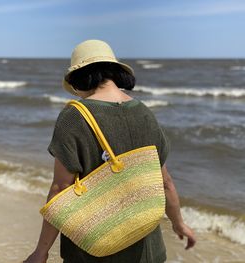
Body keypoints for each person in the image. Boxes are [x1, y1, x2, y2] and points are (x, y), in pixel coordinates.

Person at [23, 39, 196, 263]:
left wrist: (41, 252)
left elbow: (61, 189)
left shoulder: (74, 117)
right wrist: (178, 223)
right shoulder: (145, 113)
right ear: (115, 72)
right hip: (148, 251)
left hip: (93, 252)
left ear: (79, 78)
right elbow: (165, 182)